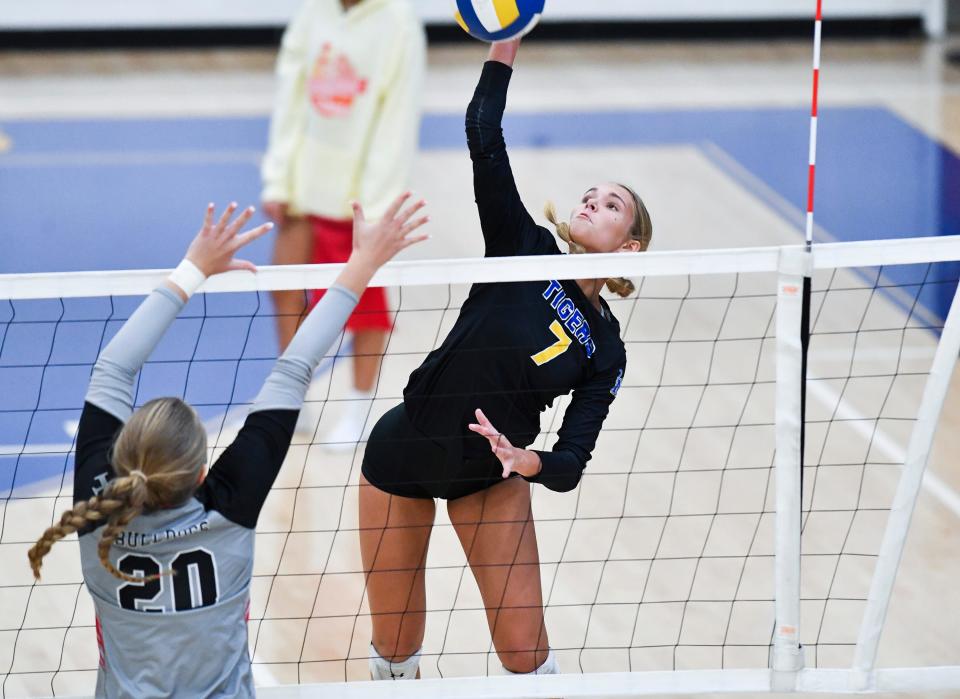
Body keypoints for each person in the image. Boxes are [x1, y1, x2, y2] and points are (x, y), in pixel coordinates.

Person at [27, 194, 428, 698]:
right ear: (200, 476)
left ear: (121, 459)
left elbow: (111, 370)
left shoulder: (96, 507)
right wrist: (364, 262)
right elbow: (294, 369)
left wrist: (192, 270)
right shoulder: (228, 506)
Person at [357, 38, 653, 681]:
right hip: (402, 453)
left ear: (629, 249)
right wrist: (505, 45)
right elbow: (482, 130)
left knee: (525, 653)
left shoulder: (606, 350)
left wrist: (529, 461)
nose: (590, 203)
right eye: (590, 194)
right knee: (396, 650)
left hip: (489, 477)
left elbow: (572, 462)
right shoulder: (526, 246)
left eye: (610, 206)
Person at [261, 0, 426, 446]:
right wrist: (279, 179)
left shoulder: (399, 23)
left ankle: (357, 410)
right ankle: (291, 399)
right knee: (284, 290)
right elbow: (289, 95)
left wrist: (374, 207)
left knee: (366, 309)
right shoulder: (313, 13)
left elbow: (398, 121)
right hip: (302, 188)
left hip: (357, 201)